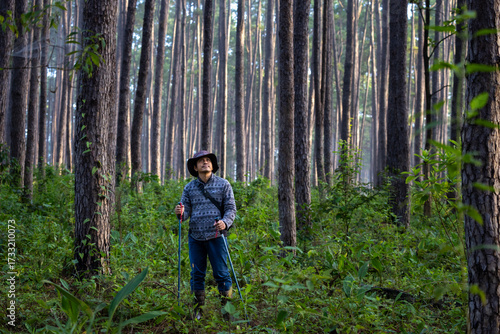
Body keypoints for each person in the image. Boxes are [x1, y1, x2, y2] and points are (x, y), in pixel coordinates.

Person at [174, 150, 236, 320]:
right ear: (195, 167)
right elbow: (184, 215)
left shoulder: (224, 185)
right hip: (196, 237)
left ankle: (227, 313)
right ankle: (197, 311)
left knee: (222, 274)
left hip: (217, 236)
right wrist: (180, 212)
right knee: (196, 275)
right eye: (201, 161)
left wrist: (225, 222)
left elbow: (231, 208)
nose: (205, 163)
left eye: (208, 160)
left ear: (213, 165)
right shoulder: (189, 188)